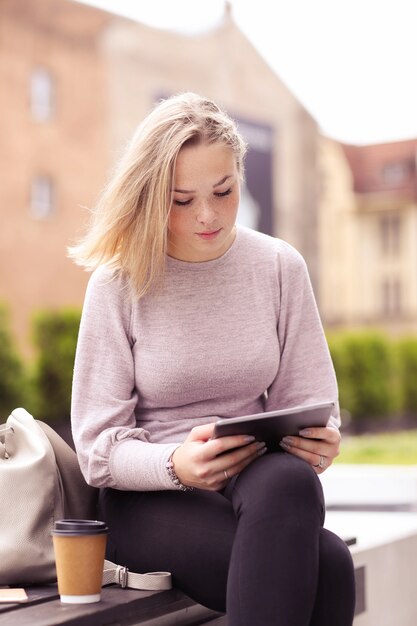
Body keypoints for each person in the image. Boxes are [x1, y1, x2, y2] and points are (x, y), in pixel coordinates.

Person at [69, 92, 356, 626]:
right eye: (182, 200)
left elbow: (311, 403)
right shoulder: (118, 283)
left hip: (261, 484)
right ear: (153, 197)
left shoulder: (277, 267)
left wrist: (319, 440)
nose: (208, 215)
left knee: (291, 483)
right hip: (149, 496)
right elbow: (95, 447)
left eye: (223, 191)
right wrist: (176, 465)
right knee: (331, 565)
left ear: (239, 178)